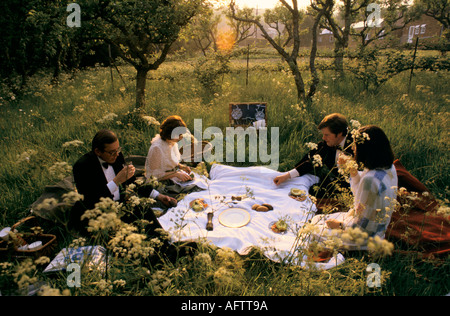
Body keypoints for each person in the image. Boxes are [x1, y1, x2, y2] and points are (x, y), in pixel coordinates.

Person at [71, 129, 177, 234]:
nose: (116, 154)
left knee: (143, 209)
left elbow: (133, 183)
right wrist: (116, 181)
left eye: (118, 150)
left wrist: (159, 196)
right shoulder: (82, 166)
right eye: (112, 152)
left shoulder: (117, 156)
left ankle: (167, 242)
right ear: (98, 151)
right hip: (98, 214)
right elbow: (91, 200)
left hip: (120, 206)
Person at [310, 125, 398, 249]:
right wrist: (352, 171)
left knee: (313, 231)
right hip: (377, 228)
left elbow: (361, 225)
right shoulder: (388, 166)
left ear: (366, 149)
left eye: (356, 145)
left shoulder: (370, 180)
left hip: (363, 238)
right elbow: (364, 195)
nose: (352, 148)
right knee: (318, 219)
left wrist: (341, 226)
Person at [273, 113, 354, 198]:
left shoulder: (356, 144)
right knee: (314, 191)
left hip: (355, 185)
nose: (323, 138)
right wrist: (287, 175)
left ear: (339, 133)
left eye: (327, 135)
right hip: (338, 182)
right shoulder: (329, 144)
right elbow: (311, 162)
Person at [145, 116, 205, 197]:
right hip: (160, 182)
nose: (181, 137)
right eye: (179, 135)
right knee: (191, 191)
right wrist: (176, 174)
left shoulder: (172, 142)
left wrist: (181, 167)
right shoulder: (157, 148)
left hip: (172, 176)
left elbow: (171, 161)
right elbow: (153, 176)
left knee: (200, 182)